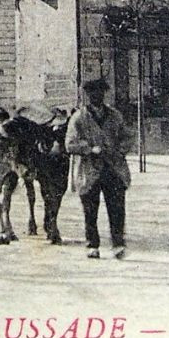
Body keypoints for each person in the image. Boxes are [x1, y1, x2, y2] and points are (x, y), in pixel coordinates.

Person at [66, 78, 132, 260]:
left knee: (117, 208)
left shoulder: (115, 115)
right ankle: (92, 245)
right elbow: (70, 144)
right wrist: (88, 149)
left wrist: (119, 150)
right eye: (93, 93)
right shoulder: (79, 118)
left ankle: (118, 244)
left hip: (113, 169)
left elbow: (127, 137)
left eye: (100, 92)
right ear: (87, 96)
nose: (97, 96)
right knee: (90, 209)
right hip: (89, 171)